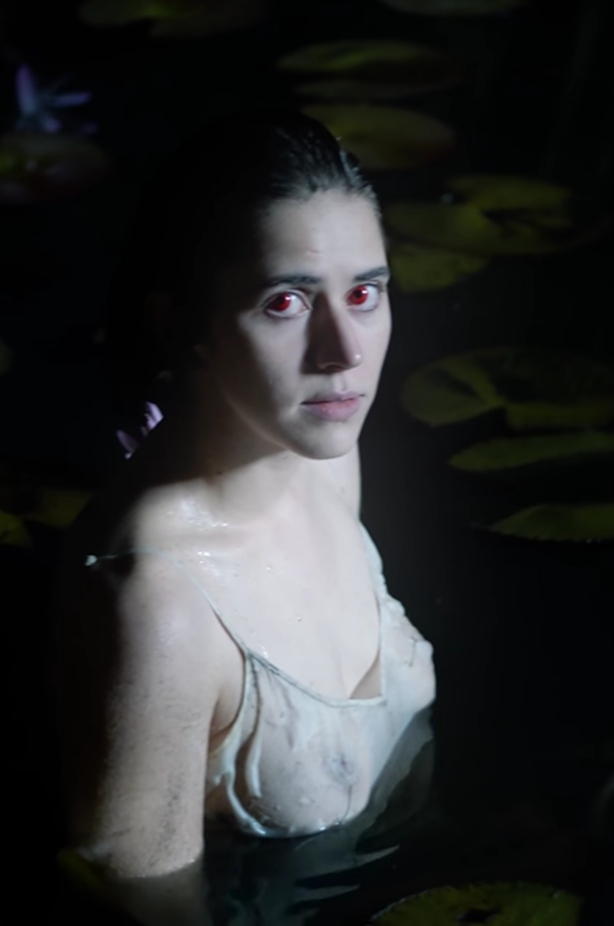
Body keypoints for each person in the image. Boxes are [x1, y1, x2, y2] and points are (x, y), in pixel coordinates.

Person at [56, 110, 436, 925]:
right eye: (287, 301)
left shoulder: (324, 459)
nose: (344, 351)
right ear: (177, 323)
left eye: (365, 294)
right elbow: (138, 898)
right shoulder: (160, 606)